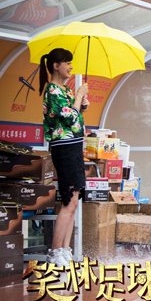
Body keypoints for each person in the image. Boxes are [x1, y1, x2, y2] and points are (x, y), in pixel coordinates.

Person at [39, 48, 89, 267]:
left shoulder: (65, 91)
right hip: (64, 147)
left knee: (74, 200)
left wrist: (81, 103)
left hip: (75, 145)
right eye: (66, 63)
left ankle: (65, 249)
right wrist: (78, 97)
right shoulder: (52, 91)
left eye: (71, 62)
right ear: (55, 65)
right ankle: (56, 250)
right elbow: (68, 118)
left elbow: (76, 116)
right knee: (68, 199)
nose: (70, 66)